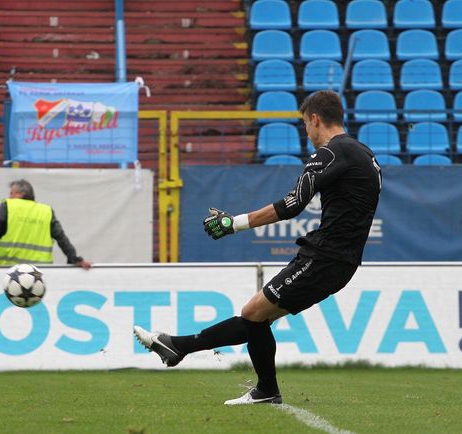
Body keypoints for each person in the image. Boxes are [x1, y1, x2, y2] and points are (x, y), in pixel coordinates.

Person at [134, 91, 382, 406]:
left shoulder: (330, 153)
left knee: (254, 314)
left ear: (315, 119)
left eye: (305, 124)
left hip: (325, 257)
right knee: (256, 316)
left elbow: (293, 204)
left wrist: (232, 224)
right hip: (340, 259)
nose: (306, 132)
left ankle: (199, 356)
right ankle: (182, 349)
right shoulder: (365, 154)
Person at [0, 179, 92, 269]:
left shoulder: (9, 206)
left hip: (6, 270)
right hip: (40, 273)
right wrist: (74, 259)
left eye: (11, 193)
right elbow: (61, 238)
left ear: (20, 194)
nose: (9, 197)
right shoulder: (46, 211)